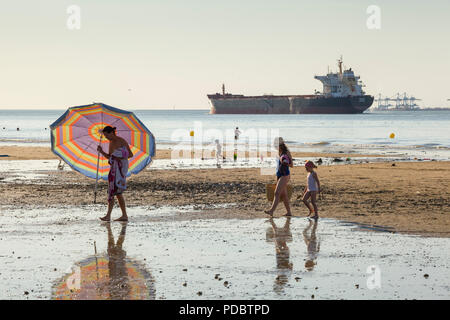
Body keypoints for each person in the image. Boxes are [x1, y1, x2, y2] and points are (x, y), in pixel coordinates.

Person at [97, 126, 133, 222]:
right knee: (113, 192)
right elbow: (109, 157)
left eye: (106, 135)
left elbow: (130, 154)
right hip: (113, 169)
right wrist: (101, 151)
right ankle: (113, 215)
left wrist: (119, 158)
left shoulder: (121, 141)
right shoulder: (110, 143)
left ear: (112, 133)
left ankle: (121, 215)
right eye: (104, 135)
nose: (105, 137)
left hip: (120, 169)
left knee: (117, 192)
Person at [264, 137, 293, 216]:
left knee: (277, 193)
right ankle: (289, 212)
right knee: (284, 195)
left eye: (275, 144)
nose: (274, 146)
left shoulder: (286, 152)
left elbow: (291, 165)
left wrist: (285, 162)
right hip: (279, 175)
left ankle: (271, 211)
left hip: (285, 175)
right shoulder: (279, 152)